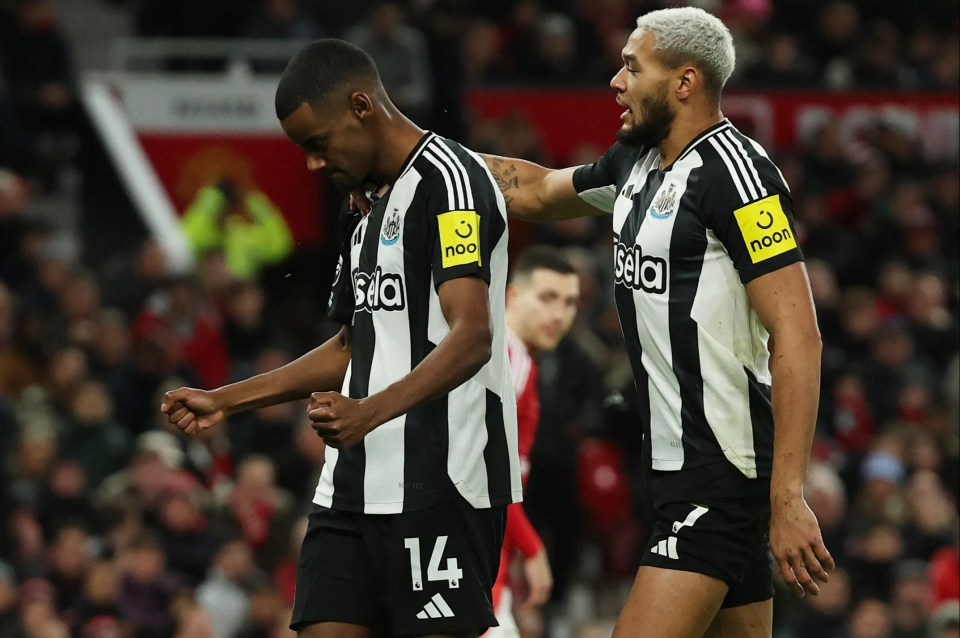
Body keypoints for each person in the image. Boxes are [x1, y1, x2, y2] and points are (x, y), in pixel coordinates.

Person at [480, 7, 834, 637]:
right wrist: (420, 163)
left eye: (632, 67)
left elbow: (798, 335)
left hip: (721, 470)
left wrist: (788, 496)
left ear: (685, 81)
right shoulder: (632, 164)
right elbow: (534, 192)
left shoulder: (736, 176)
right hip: (671, 470)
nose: (616, 83)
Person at [160, 39, 522, 637]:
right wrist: (225, 399)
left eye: (317, 144)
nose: (311, 164)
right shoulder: (359, 205)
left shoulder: (451, 183)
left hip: (442, 483)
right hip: (349, 489)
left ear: (362, 105)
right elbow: (353, 347)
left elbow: (472, 336)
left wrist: (368, 415)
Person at [490, 245, 579, 636]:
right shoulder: (508, 360)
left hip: (488, 572)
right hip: (470, 576)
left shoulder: (518, 361)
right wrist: (532, 547)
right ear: (512, 295)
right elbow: (485, 473)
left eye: (570, 302)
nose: (559, 314)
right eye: (547, 298)